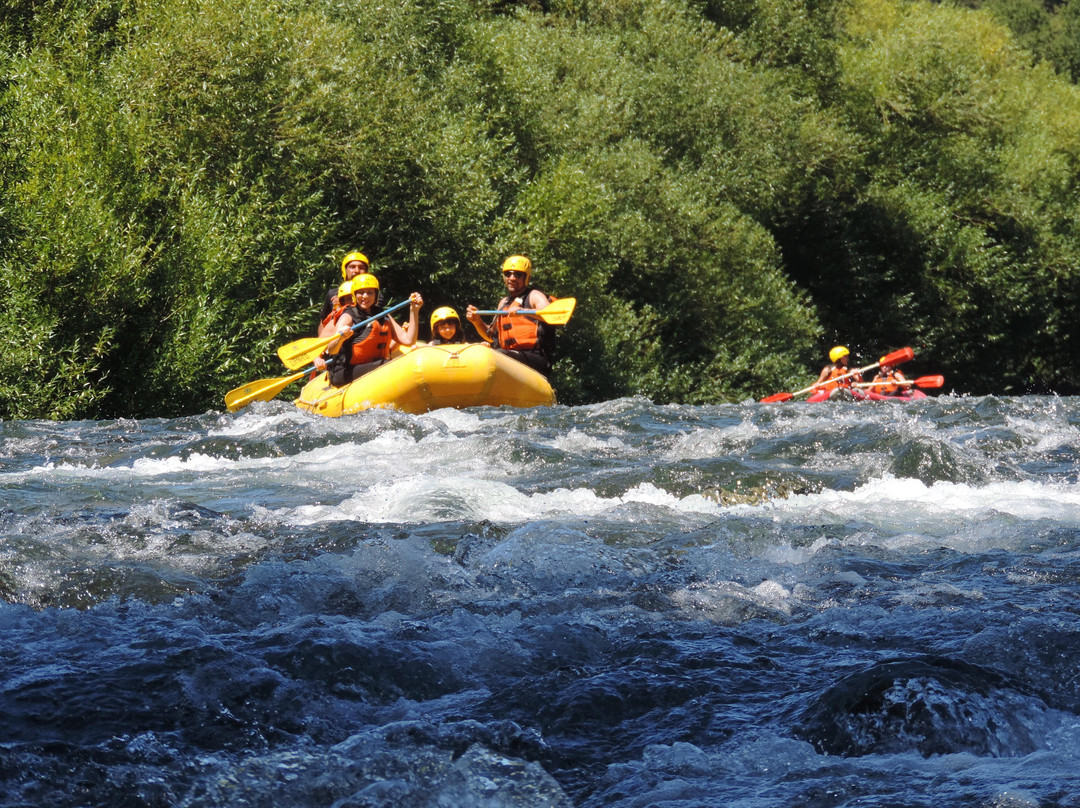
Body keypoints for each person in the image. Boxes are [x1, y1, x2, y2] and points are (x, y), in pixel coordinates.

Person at [314, 275, 423, 387]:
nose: (365, 296)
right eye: (361, 292)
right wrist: (341, 338)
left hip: (374, 366)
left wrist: (414, 310)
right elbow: (332, 349)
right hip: (344, 372)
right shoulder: (348, 316)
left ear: (376, 295)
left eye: (370, 292)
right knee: (387, 365)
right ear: (354, 295)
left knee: (388, 364)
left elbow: (409, 340)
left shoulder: (383, 315)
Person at [465, 255, 555, 377]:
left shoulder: (534, 295)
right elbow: (490, 336)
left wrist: (523, 311)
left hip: (536, 358)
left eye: (518, 275)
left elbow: (550, 315)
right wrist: (477, 321)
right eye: (508, 274)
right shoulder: (504, 303)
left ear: (527, 278)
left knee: (497, 354)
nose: (512, 278)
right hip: (509, 355)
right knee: (484, 353)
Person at [318, 250, 371, 330]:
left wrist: (343, 306)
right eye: (352, 267)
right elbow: (323, 322)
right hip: (339, 335)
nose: (356, 271)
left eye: (361, 267)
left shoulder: (373, 293)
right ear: (345, 270)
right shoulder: (332, 294)